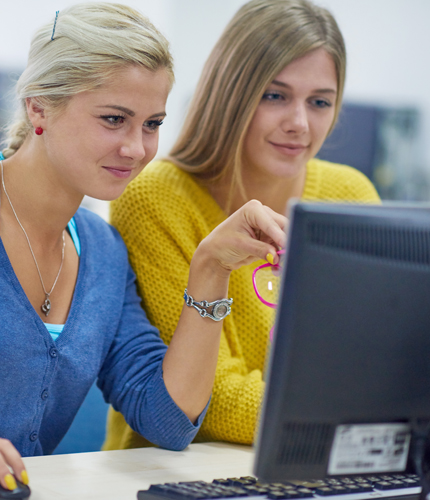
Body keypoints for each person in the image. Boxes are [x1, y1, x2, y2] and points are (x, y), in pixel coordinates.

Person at [0, 3, 286, 492]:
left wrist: (211, 269)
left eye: (152, 124)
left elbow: (167, 419)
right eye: (114, 119)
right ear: (39, 106)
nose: (137, 148)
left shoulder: (103, 252)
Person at [104, 0, 380, 450]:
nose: (298, 123)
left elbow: (374, 364)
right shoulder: (156, 198)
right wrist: (360, 419)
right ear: (231, 92)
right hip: (181, 478)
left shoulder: (352, 195)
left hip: (316, 465)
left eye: (320, 102)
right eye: (275, 95)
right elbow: (214, 399)